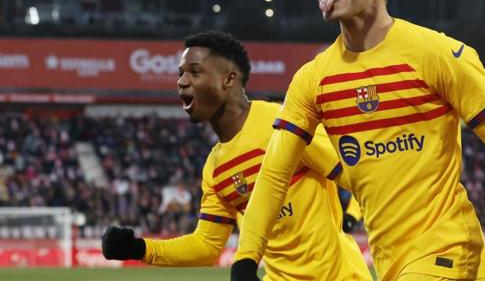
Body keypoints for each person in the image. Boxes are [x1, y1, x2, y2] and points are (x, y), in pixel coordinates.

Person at [231, 0, 485, 281]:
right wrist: (245, 260)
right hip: (389, 263)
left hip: (448, 249)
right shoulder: (312, 79)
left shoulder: (437, 54)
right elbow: (273, 173)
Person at [101, 31, 371, 281]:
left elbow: (359, 178)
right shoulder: (215, 168)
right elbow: (207, 245)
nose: (182, 81)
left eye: (194, 72)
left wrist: (355, 216)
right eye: (180, 73)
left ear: (228, 79)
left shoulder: (285, 122)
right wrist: (140, 248)